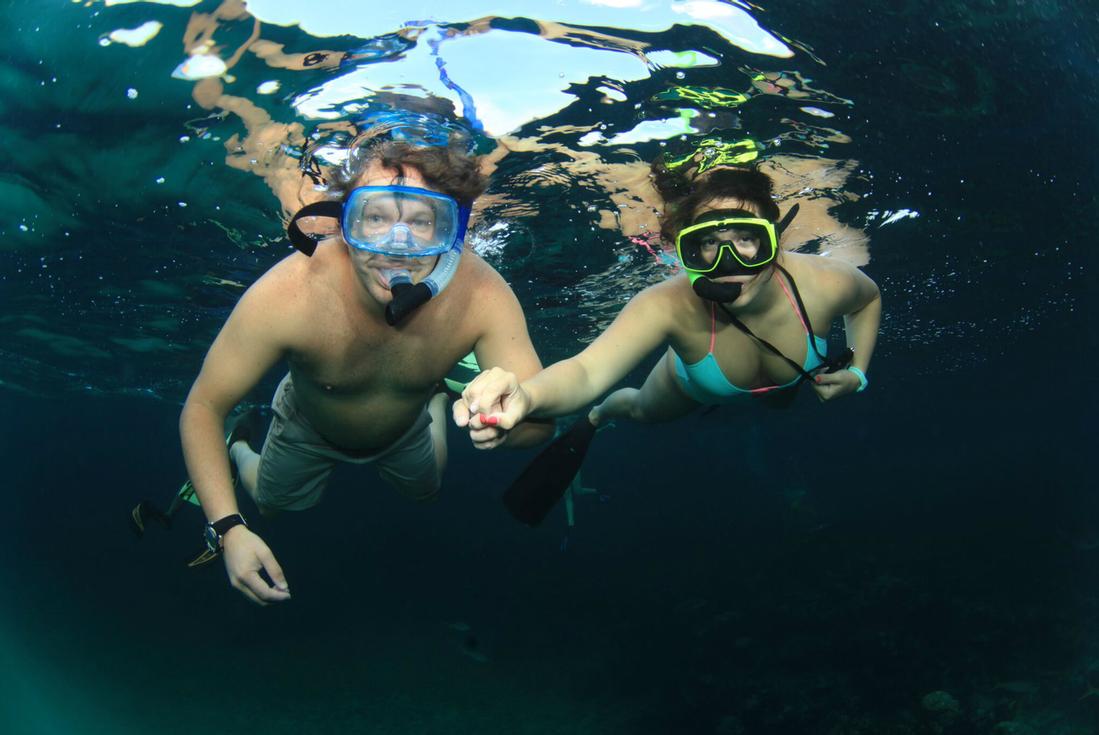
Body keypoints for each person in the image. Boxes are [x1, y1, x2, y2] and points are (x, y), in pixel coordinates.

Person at [179, 136, 553, 605]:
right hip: (307, 427)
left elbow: (541, 424)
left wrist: (504, 421)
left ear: (453, 233)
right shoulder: (289, 293)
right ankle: (239, 448)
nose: (396, 247)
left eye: (422, 222)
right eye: (375, 217)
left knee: (426, 493)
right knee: (270, 506)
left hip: (405, 428)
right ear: (343, 222)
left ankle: (434, 396)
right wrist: (229, 529)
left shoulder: (481, 294)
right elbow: (203, 405)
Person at [453, 162, 881, 525]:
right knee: (640, 408)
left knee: (778, 402)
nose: (728, 265)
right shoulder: (667, 304)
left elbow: (868, 299)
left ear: (774, 239)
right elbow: (587, 369)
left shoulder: (823, 282)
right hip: (692, 384)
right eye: (708, 244)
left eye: (746, 240)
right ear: (685, 251)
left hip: (780, 390)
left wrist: (858, 372)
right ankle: (601, 417)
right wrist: (527, 396)